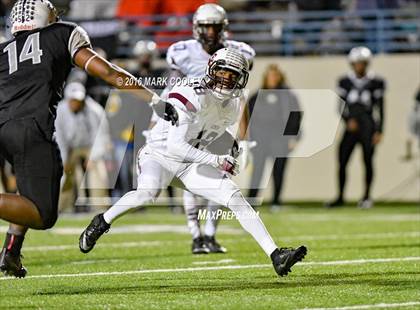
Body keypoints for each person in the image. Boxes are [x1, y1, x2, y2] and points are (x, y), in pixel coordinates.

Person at [79, 48, 307, 277]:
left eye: (233, 76)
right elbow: (175, 146)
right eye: (223, 73)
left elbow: (211, 130)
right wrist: (216, 160)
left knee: (234, 197)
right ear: (211, 70)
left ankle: (276, 255)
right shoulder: (191, 92)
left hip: (189, 164)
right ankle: (102, 221)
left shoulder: (234, 102)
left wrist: (232, 145)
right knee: (147, 194)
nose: (226, 80)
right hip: (160, 156)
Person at [0, 0, 178, 278]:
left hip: (5, 127)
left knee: (31, 187)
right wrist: (153, 99)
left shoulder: (3, 50)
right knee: (42, 214)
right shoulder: (61, 33)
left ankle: (11, 251)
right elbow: (106, 72)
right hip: (30, 126)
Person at [164, 3, 255, 254]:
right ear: (196, 27)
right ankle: (196, 236)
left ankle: (211, 234)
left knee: (222, 177)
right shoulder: (181, 52)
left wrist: (243, 136)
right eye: (206, 27)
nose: (211, 33)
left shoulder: (241, 53)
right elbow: (170, 93)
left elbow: (241, 97)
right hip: (190, 123)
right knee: (189, 179)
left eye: (215, 26)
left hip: (219, 122)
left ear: (223, 28)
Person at [326, 46, 385, 209]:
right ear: (352, 64)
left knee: (367, 161)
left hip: (368, 125)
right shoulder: (344, 81)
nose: (360, 66)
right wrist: (347, 120)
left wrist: (380, 130)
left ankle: (366, 197)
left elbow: (381, 107)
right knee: (342, 159)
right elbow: (339, 106)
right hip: (351, 125)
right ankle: (340, 196)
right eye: (357, 63)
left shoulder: (376, 82)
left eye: (363, 63)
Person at [247, 65, 301, 211]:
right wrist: (248, 138)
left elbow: (295, 116)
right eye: (270, 75)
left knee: (279, 170)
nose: (273, 78)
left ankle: (276, 202)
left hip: (280, 139)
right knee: (257, 171)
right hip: (260, 139)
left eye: (275, 75)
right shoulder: (257, 95)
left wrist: (293, 137)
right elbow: (247, 117)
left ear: (280, 77)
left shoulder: (288, 95)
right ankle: (250, 202)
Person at [55, 82, 112, 212]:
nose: (76, 103)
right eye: (73, 100)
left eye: (78, 100)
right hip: (70, 147)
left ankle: (100, 208)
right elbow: (59, 138)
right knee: (64, 175)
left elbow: (100, 135)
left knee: (98, 172)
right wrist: (63, 161)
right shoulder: (60, 111)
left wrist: (93, 157)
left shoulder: (94, 109)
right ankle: (62, 208)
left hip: (91, 146)